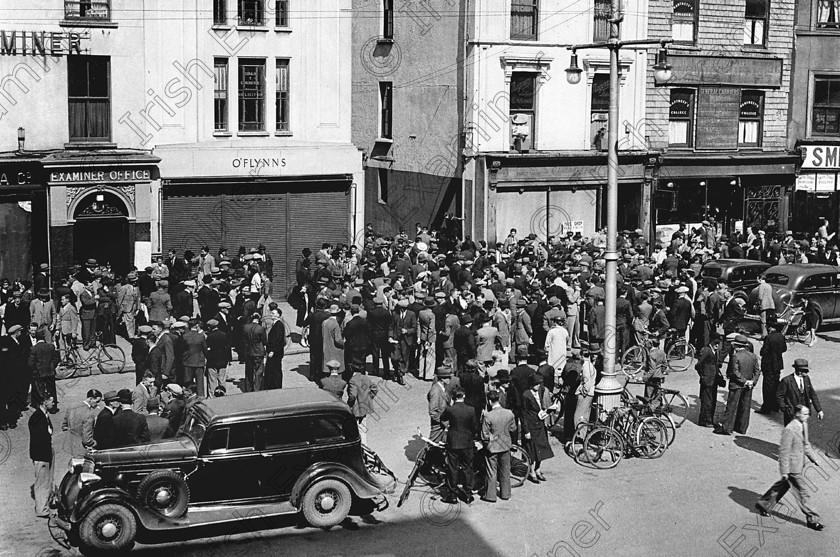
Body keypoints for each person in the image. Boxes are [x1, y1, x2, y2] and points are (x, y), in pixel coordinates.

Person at [755, 405, 825, 531]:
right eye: (805, 414)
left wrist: (814, 459)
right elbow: (784, 451)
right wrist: (785, 471)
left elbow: (806, 444)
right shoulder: (790, 429)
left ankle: (764, 504)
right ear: (797, 414)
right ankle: (813, 520)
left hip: (798, 463)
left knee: (783, 486)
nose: (807, 416)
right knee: (803, 492)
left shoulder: (804, 425)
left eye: (808, 414)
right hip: (792, 468)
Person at [440, 387, 479, 504]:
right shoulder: (471, 410)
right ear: (464, 396)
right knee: (468, 467)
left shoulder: (450, 409)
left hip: (453, 443)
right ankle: (468, 494)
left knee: (453, 468)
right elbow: (475, 427)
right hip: (467, 443)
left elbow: (442, 419)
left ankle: (452, 494)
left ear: (454, 397)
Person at [715, 334, 760, 436]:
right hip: (748, 386)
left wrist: (744, 381)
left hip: (737, 385)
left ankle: (727, 428)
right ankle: (741, 428)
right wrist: (752, 381)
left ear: (736, 346)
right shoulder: (753, 356)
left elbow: (735, 372)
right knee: (745, 407)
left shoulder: (736, 356)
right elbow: (757, 371)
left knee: (731, 406)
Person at [480, 389, 516, 503]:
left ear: (489, 401)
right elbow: (513, 428)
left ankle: (490, 495)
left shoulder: (488, 416)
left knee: (491, 471)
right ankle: (506, 494)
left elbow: (484, 435)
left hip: (493, 447)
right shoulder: (509, 413)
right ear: (499, 399)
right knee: (505, 470)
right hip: (505, 445)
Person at [522, 373, 554, 483]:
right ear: (531, 385)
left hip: (540, 423)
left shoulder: (540, 391)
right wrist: (526, 430)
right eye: (536, 384)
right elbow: (524, 414)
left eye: (539, 384)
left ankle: (538, 469)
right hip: (531, 425)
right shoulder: (526, 395)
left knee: (542, 448)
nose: (538, 386)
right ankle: (531, 471)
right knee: (532, 450)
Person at [29, 392, 55, 518]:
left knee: (46, 481)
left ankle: (45, 506)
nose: (53, 403)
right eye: (52, 401)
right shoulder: (37, 418)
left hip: (45, 453)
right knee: (42, 483)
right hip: (41, 455)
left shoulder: (44, 414)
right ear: (45, 403)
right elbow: (40, 438)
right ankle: (42, 510)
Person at [777, 359, 824, 426]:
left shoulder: (806, 379)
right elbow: (779, 396)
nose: (807, 372)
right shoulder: (786, 381)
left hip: (803, 415)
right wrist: (785, 409)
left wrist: (819, 410)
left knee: (803, 433)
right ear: (799, 371)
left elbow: (812, 394)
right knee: (792, 434)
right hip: (791, 415)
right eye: (805, 371)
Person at [60, 389, 101, 457]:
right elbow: (86, 440)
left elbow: (64, 426)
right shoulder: (89, 414)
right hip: (82, 449)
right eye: (97, 401)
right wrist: (95, 443)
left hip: (69, 445)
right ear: (91, 399)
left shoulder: (72, 406)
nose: (98, 404)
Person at [757, 320, 786, 415]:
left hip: (769, 365)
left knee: (767, 387)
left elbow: (764, 351)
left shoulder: (768, 338)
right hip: (778, 364)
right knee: (775, 385)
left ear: (770, 328)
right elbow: (784, 348)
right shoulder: (781, 336)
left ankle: (766, 408)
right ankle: (775, 406)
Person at [695, 334, 722, 428]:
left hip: (714, 380)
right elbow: (698, 365)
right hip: (707, 380)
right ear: (711, 341)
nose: (717, 345)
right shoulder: (706, 350)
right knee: (706, 401)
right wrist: (703, 376)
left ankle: (710, 419)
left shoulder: (716, 351)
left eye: (718, 343)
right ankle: (704, 420)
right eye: (715, 343)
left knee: (712, 401)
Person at [28, 328, 59, 411]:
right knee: (52, 390)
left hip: (39, 373)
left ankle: (40, 406)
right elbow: (56, 358)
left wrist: (35, 370)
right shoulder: (51, 346)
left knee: (40, 390)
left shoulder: (34, 349)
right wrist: (52, 366)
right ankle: (53, 407)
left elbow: (30, 363)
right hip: (50, 372)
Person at [347, 364, 378, 445]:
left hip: (356, 409)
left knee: (355, 429)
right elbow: (374, 388)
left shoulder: (353, 380)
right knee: (363, 427)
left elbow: (352, 396)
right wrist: (370, 397)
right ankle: (365, 444)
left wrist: (349, 405)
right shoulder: (366, 378)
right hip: (365, 407)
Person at [389, 298, 416, 385]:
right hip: (396, 340)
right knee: (395, 357)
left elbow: (415, 328)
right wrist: (390, 336)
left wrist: (407, 331)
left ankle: (400, 374)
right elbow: (391, 327)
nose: (401, 310)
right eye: (400, 308)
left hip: (406, 340)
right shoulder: (394, 314)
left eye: (403, 308)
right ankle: (397, 370)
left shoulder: (412, 315)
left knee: (404, 358)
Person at [182, 320, 208, 397]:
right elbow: (205, 349)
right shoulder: (201, 336)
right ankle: (201, 398)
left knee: (188, 383)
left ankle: (188, 397)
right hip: (198, 362)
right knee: (200, 383)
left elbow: (182, 349)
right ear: (196, 326)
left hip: (187, 362)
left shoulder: (185, 336)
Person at [241, 312, 266, 392]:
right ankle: (257, 388)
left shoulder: (245, 327)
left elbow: (243, 340)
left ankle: (248, 388)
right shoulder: (260, 328)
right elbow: (265, 341)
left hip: (248, 352)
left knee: (248, 371)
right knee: (258, 371)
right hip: (258, 352)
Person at [205, 319, 230, 397]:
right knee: (222, 380)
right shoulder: (224, 335)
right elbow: (227, 348)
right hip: (223, 361)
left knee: (212, 381)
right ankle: (223, 394)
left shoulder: (210, 337)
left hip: (212, 362)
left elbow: (207, 350)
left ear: (210, 327)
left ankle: (212, 396)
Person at [428, 366, 452, 443]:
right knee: (432, 443)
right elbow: (432, 411)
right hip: (438, 424)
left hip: (442, 422)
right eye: (448, 377)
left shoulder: (442, 387)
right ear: (442, 379)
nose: (450, 379)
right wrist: (443, 421)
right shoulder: (436, 390)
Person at [265, 308, 287, 389]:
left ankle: (276, 386)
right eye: (271, 313)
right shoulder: (276, 324)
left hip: (275, 352)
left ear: (278, 315)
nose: (271, 315)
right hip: (274, 351)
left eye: (273, 313)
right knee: (273, 369)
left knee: (276, 369)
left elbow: (278, 339)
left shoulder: (279, 325)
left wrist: (273, 351)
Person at [756, 273, 775, 339]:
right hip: (770, 304)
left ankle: (764, 335)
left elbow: (760, 297)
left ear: (760, 279)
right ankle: (769, 333)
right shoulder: (769, 285)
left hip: (763, 305)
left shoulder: (761, 286)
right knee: (768, 320)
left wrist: (757, 302)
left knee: (763, 321)